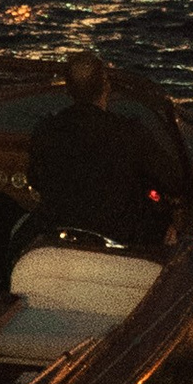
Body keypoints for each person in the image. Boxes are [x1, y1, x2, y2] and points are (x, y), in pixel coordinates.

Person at [23, 53, 177, 254]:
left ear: (68, 90)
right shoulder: (130, 132)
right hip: (123, 239)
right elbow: (173, 181)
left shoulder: (46, 131)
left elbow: (35, 179)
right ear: (106, 86)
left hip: (59, 234)